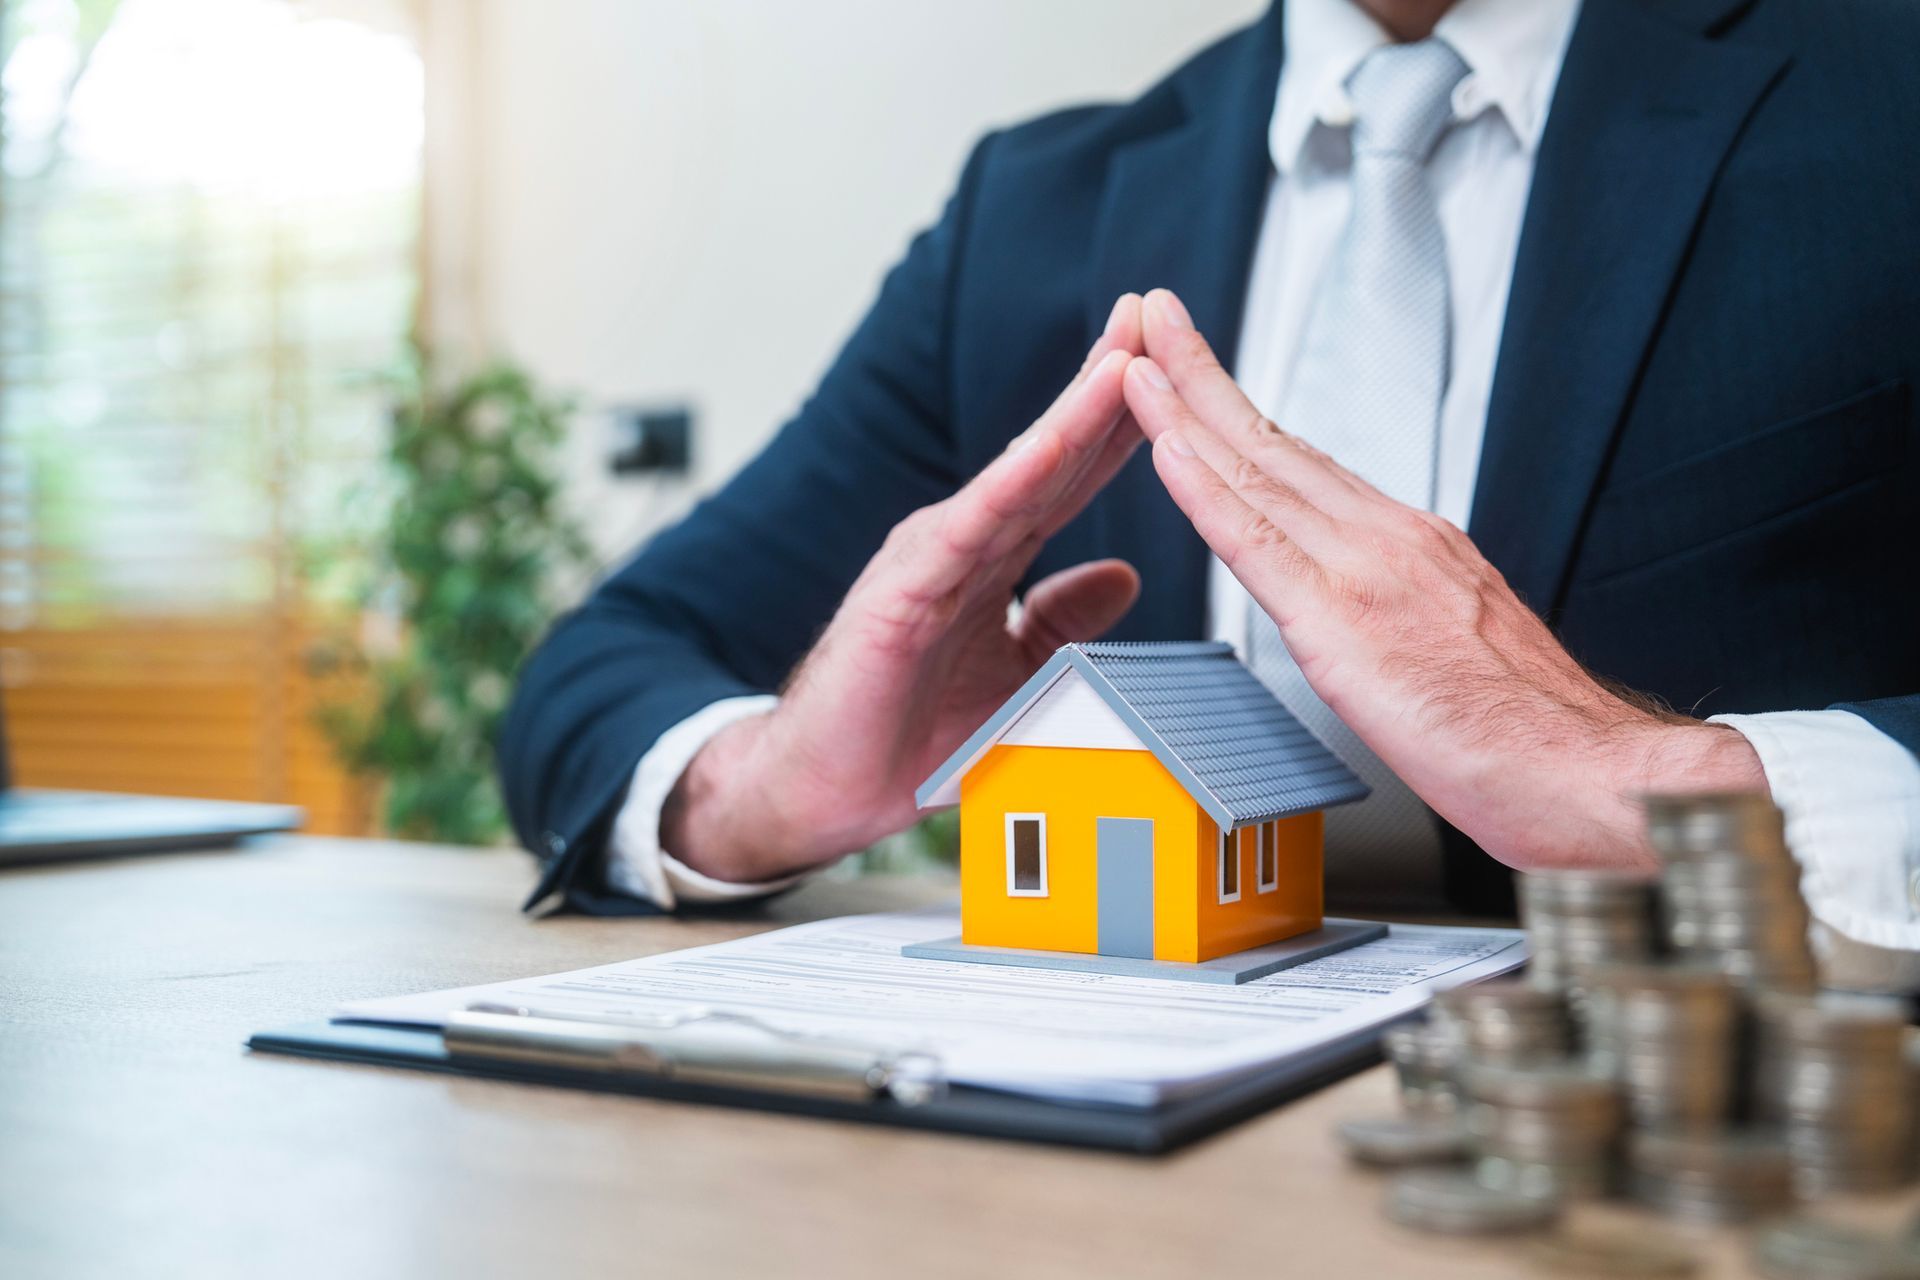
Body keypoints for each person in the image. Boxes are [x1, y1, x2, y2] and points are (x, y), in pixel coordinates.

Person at [499, 0, 1920, 985]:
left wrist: (1667, 784)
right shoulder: (1032, 210)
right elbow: (598, 672)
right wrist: (770, 784)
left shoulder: (1884, 100)